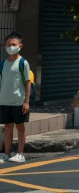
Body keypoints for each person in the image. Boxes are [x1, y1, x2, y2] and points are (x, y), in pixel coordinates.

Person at [0, 32, 31, 163]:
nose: (10, 47)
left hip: (19, 101)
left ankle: (20, 154)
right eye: (8, 44)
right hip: (5, 101)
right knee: (7, 127)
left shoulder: (23, 63)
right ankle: (6, 154)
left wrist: (27, 101)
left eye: (13, 44)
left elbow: (27, 82)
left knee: (20, 126)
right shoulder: (2, 64)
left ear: (20, 46)